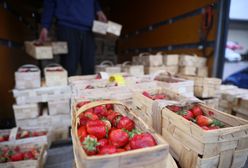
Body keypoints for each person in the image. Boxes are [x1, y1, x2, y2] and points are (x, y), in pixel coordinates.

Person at [39, 0, 107, 76]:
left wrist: (98, 10)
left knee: (89, 69)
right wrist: (45, 26)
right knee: (69, 69)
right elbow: (49, 2)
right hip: (67, 26)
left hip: (88, 28)